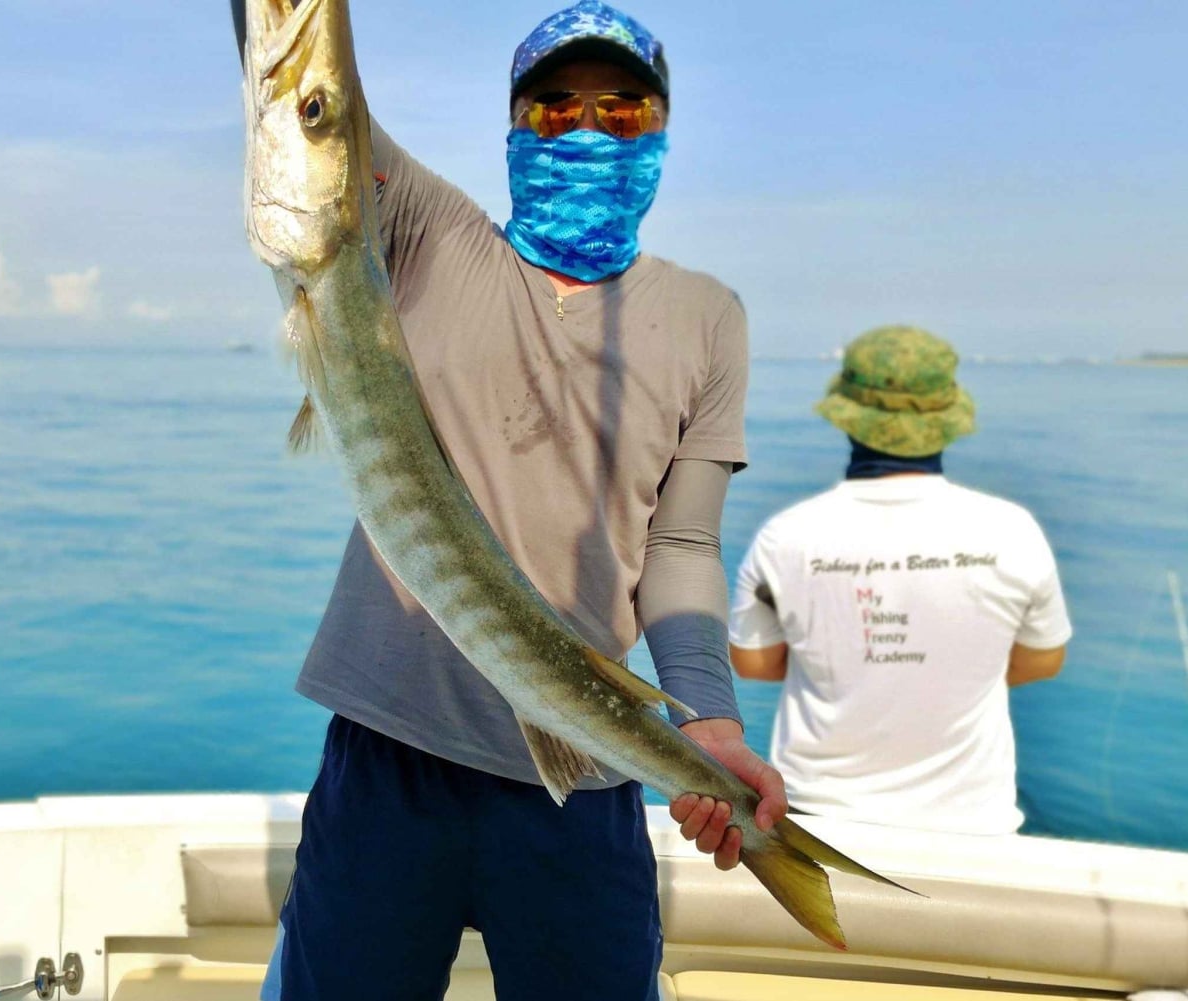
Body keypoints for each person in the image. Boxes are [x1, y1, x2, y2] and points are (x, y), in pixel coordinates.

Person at [231, 1, 787, 998]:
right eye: (553, 108)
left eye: (622, 111)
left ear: (661, 129)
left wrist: (706, 717)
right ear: (512, 125)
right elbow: (307, 96)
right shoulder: (428, 234)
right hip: (389, 751)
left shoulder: (708, 317)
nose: (584, 128)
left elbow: (681, 541)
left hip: (584, 770)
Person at [727, 325, 1071, 836]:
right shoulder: (1013, 531)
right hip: (975, 827)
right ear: (949, 419)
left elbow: (753, 663)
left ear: (846, 416)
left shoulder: (786, 537)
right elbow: (1044, 659)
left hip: (816, 822)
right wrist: (946, 672)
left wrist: (853, 665)